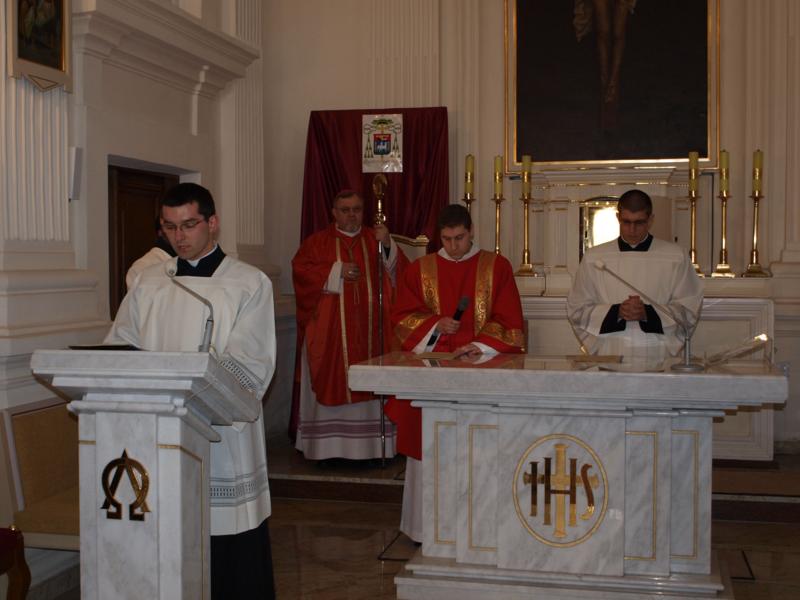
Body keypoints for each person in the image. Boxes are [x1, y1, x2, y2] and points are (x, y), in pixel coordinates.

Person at [105, 183, 277, 599]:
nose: (179, 236)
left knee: (227, 546)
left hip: (220, 434)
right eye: (169, 227)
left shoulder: (248, 282)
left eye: (189, 225)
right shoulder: (149, 282)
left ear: (212, 223)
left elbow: (251, 361)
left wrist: (194, 392)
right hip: (157, 435)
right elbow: (121, 346)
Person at [385, 203, 525, 542]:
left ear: (471, 231)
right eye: (446, 239)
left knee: (481, 450)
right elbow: (401, 318)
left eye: (459, 238)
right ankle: (425, 528)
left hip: (481, 371)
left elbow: (510, 321)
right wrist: (435, 325)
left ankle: (482, 528)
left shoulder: (496, 266)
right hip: (433, 374)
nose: (453, 246)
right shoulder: (421, 269)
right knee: (429, 444)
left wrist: (479, 345)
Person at [291, 190, 408, 460]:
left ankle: (373, 449)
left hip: (373, 331)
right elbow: (301, 273)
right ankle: (327, 450)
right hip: (329, 331)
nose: (352, 215)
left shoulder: (374, 239)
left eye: (356, 209)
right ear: (334, 213)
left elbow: (402, 275)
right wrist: (335, 271)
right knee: (332, 375)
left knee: (374, 376)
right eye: (345, 210)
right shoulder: (317, 243)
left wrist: (387, 245)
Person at [567, 189, 703, 362]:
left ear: (650, 220)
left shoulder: (675, 257)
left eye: (639, 222)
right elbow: (577, 309)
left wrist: (648, 314)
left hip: (656, 350)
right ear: (618, 217)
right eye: (626, 222)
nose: (632, 230)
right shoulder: (594, 258)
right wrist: (616, 312)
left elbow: (688, 308)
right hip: (610, 350)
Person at [125, 217, 176, 289]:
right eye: (171, 228)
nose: (179, 235)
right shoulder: (142, 267)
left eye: (186, 227)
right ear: (160, 232)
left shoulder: (187, 261)